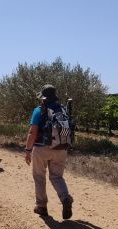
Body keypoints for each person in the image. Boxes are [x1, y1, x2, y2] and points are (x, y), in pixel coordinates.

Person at [25, 84, 73, 219]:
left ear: (43, 98)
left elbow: (32, 132)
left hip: (41, 148)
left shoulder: (39, 110)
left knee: (39, 177)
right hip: (61, 148)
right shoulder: (63, 109)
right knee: (57, 177)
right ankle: (65, 199)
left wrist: (28, 150)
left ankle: (42, 207)